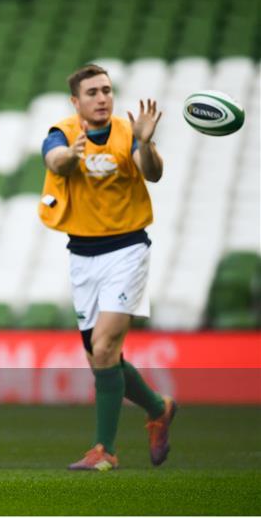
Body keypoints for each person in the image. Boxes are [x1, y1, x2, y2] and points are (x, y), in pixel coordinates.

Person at [39, 64, 176, 471]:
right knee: (99, 356)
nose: (102, 98)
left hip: (128, 249)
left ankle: (105, 450)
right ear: (76, 102)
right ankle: (157, 407)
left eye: (107, 91)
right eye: (93, 92)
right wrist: (71, 155)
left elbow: (153, 172)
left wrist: (147, 144)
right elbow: (56, 161)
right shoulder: (61, 133)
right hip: (82, 255)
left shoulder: (128, 133)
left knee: (103, 348)